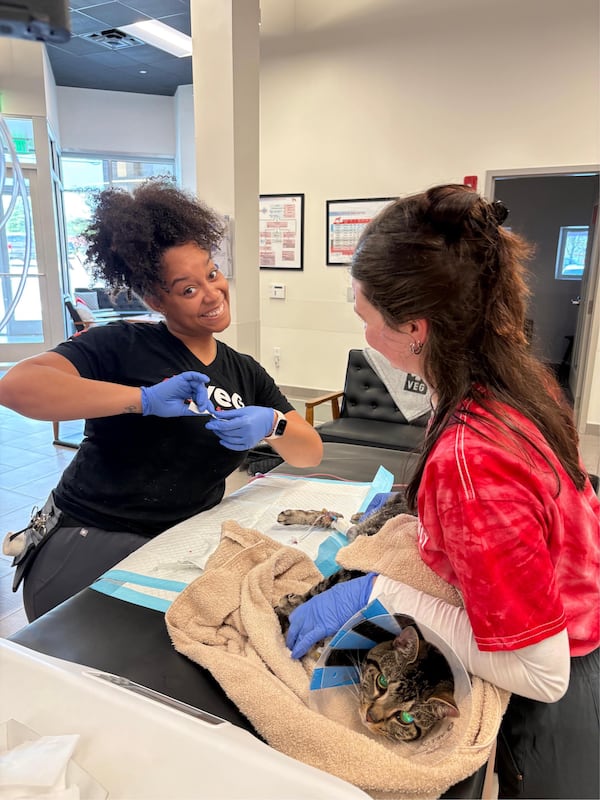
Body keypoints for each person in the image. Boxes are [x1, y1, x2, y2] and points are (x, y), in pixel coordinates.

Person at [285, 184, 599, 799]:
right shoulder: (518, 377)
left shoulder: (472, 458)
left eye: (366, 314)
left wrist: (380, 594)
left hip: (558, 689)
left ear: (415, 328)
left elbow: (543, 673)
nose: (364, 329)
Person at [0, 179, 322, 621]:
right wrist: (143, 399)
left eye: (212, 274)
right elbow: (17, 387)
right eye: (187, 289)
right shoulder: (122, 344)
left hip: (179, 545)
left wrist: (273, 424)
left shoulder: (243, 370)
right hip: (89, 540)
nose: (212, 294)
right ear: (155, 298)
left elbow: (309, 452)